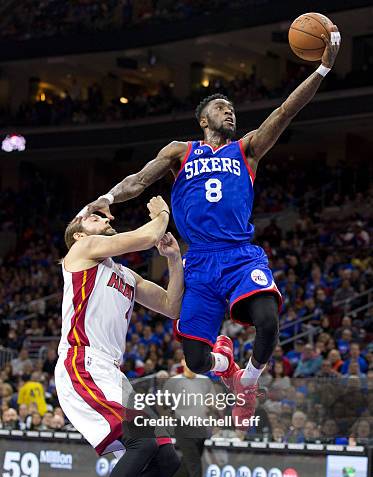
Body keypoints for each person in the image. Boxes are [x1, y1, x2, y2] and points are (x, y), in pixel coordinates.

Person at [83, 28, 341, 421]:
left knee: (268, 321)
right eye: (221, 107)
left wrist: (322, 68)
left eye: (231, 108)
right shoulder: (179, 152)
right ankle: (227, 367)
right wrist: (108, 198)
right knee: (197, 360)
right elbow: (138, 180)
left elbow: (285, 111)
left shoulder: (247, 149)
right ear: (204, 119)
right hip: (199, 263)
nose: (229, 112)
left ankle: (247, 385)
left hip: (239, 255)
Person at [55, 196, 183, 477]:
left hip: (112, 372)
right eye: (91, 217)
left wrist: (175, 261)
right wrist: (162, 214)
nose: (100, 218)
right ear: (78, 233)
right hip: (83, 361)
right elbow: (146, 235)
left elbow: (170, 305)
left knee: (166, 455)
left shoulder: (123, 275)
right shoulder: (82, 250)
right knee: (143, 442)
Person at [162, 359, 224, 477]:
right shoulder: (174, 382)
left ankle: (156, 473)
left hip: (201, 429)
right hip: (184, 429)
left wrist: (213, 410)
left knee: (188, 469)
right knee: (196, 470)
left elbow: (213, 403)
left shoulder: (205, 381)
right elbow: (163, 405)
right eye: (186, 361)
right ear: (182, 362)